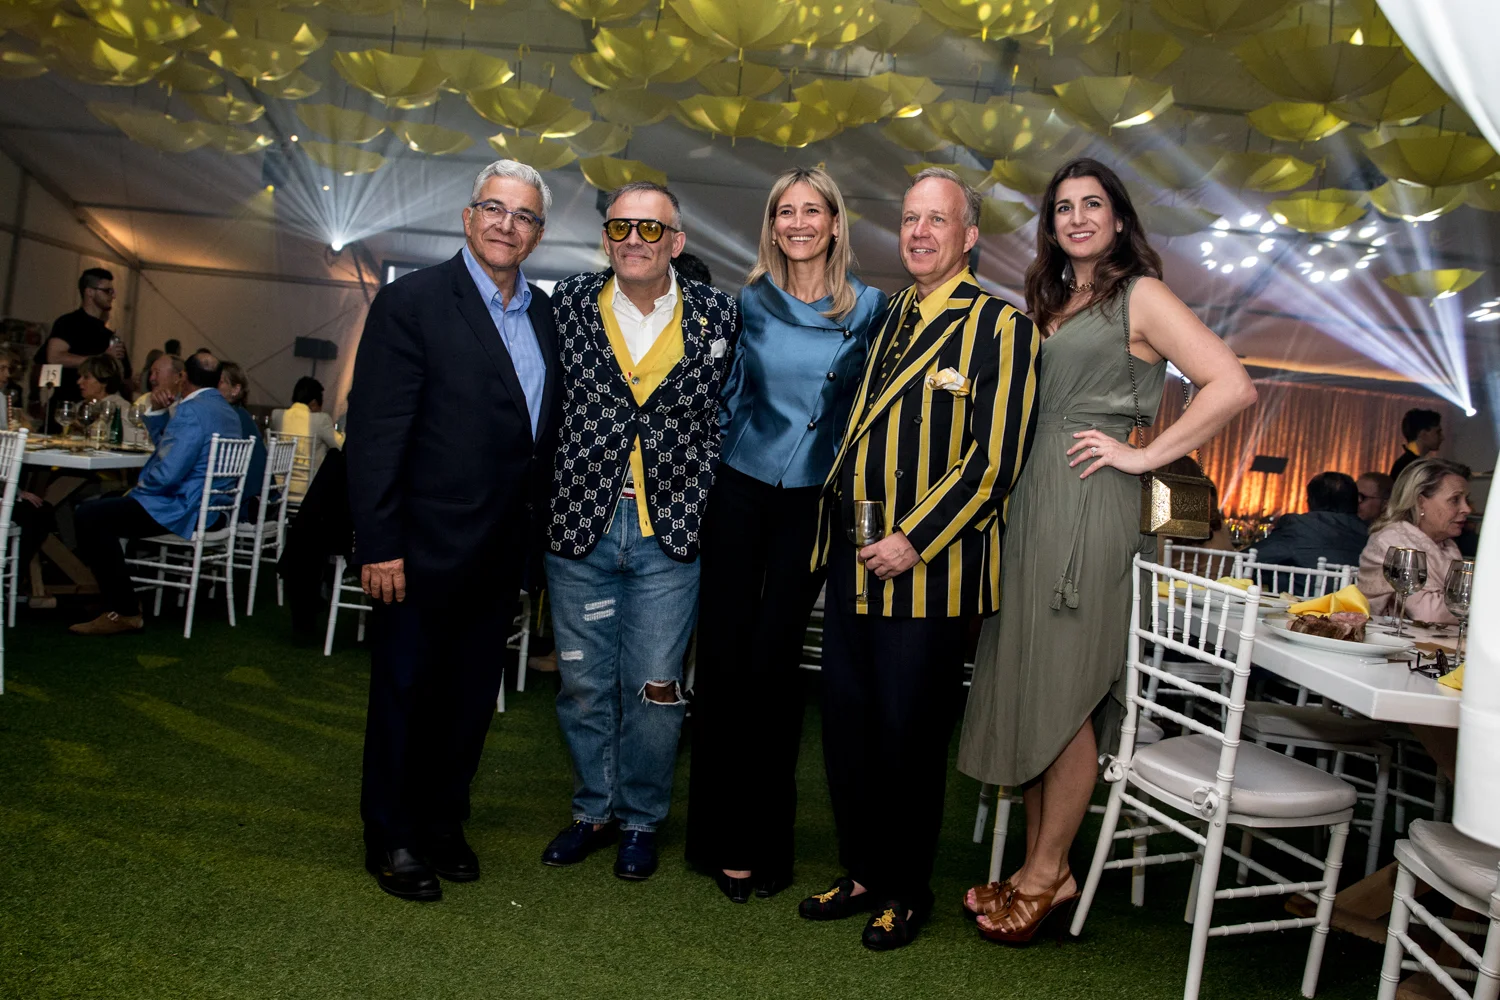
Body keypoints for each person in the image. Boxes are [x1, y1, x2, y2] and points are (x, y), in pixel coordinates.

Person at [957, 157, 1257, 944]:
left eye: (1093, 204)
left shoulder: (1141, 295)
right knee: (1036, 688)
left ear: (1119, 219)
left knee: (1067, 692)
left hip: (1090, 503)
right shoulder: (1054, 300)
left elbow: (1231, 384)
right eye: (1064, 207)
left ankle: (1048, 875)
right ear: (1051, 225)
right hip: (1035, 503)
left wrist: (1145, 454)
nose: (1078, 218)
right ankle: (1040, 868)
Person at [795, 167, 1040, 951]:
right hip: (855, 560)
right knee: (848, 730)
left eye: (938, 220)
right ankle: (863, 872)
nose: (920, 233)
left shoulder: (1001, 328)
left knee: (908, 738)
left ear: (969, 236)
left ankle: (905, 890)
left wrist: (915, 538)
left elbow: (994, 463)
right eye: (910, 220)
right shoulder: (886, 315)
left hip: (931, 573)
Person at [345, 160, 561, 903]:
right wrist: (378, 543)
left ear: (538, 233)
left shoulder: (544, 315)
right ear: (468, 218)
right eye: (494, 208)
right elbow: (376, 432)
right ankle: (392, 835)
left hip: (500, 550)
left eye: (524, 215)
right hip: (419, 548)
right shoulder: (412, 302)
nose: (507, 224)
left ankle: (441, 821)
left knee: (470, 699)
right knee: (406, 693)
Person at [685, 167, 888, 904]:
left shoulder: (872, 308)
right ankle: (717, 841)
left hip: (813, 503)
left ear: (835, 223)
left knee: (773, 667)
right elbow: (721, 398)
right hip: (738, 492)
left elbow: (877, 416)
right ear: (772, 225)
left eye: (812, 211)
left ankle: (761, 842)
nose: (798, 223)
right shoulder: (747, 302)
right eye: (784, 212)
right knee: (724, 661)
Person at [541, 181, 738, 884]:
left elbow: (729, 413)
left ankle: (640, 820)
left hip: (669, 535)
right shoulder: (566, 304)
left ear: (676, 242)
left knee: (656, 688)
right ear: (605, 237)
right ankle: (593, 810)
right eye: (621, 226)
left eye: (650, 229)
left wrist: (703, 489)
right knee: (584, 684)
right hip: (581, 527)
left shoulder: (719, 314)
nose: (633, 239)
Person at [68, 352, 242, 636]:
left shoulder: (191, 410)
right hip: (211, 508)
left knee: (89, 515)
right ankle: (115, 599)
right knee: (104, 506)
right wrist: (160, 414)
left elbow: (168, 474)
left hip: (182, 509)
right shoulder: (228, 413)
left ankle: (124, 610)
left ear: (184, 377)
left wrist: (139, 489)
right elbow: (173, 449)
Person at [1358, 458, 1470, 623]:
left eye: (1467, 500)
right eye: (1455, 500)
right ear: (1420, 502)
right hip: (1384, 636)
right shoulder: (1391, 541)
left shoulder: (1448, 545)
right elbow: (1429, 613)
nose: (1467, 509)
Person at [40, 268, 130, 429]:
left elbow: (124, 374)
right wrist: (100, 359)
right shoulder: (68, 323)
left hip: (99, 412)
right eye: (107, 291)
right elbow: (54, 357)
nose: (113, 296)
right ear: (90, 292)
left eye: (112, 291)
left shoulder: (108, 334)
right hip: (67, 408)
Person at [1252, 471, 1368, 570]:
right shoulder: (1369, 533)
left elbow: (1247, 560)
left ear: (1311, 501)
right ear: (1355, 502)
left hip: (1302, 590)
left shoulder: (1299, 526)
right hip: (1351, 591)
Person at [271, 377, 344, 499]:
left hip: (278, 489)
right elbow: (341, 446)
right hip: (308, 492)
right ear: (314, 403)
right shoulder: (321, 420)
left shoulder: (277, 416)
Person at [217, 362, 266, 521]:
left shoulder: (229, 418)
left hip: (240, 501)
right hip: (252, 495)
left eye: (220, 382)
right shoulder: (241, 415)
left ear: (235, 390)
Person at [76, 355, 147, 447]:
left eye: (86, 377)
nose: (79, 381)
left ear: (104, 382)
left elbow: (139, 441)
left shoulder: (121, 409)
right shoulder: (80, 407)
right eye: (80, 377)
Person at [1390, 408, 1442, 481]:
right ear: (1423, 434)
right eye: (1438, 432)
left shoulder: (1406, 464)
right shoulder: (1409, 466)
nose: (1442, 437)